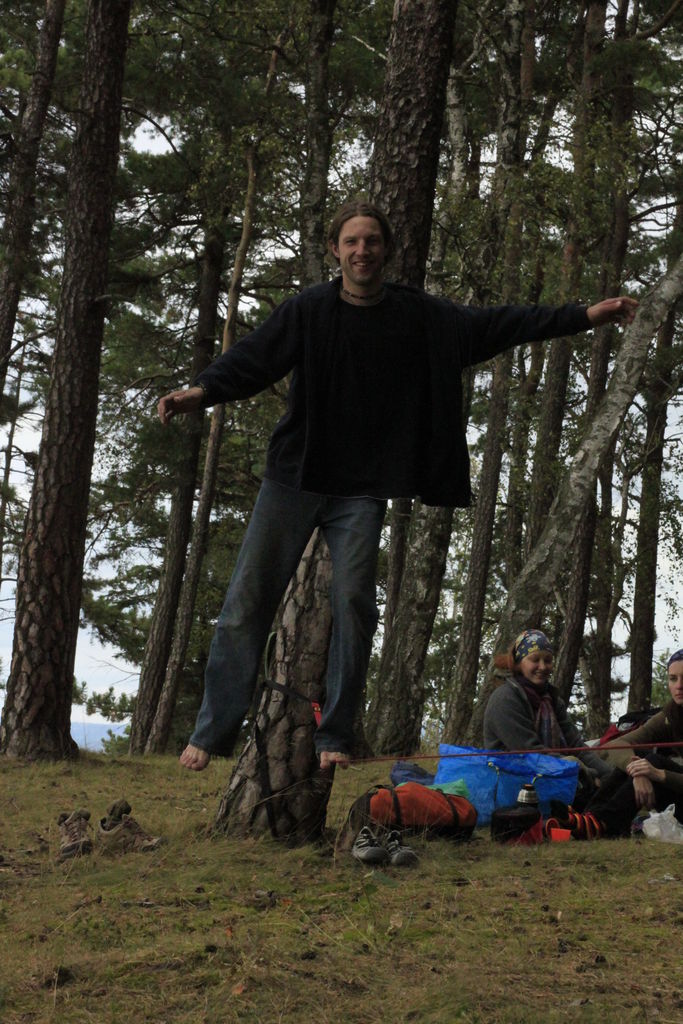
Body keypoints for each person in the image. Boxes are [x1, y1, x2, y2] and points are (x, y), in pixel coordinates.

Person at [158, 199, 638, 774]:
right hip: (294, 480)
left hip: (360, 492)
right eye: (352, 242)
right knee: (245, 603)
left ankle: (335, 730)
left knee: (355, 605)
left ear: (386, 250)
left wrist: (585, 314)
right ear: (336, 251)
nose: (363, 251)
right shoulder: (308, 311)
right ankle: (212, 731)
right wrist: (201, 391)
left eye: (373, 242)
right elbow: (252, 361)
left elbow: (502, 323)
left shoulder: (419, 317)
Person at [547, 649, 683, 838]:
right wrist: (636, 770)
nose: (679, 686)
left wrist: (657, 774)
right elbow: (615, 745)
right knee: (639, 760)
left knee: (653, 762)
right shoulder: (672, 714)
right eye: (673, 678)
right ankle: (588, 819)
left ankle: (602, 824)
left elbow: (657, 769)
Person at [483, 628, 612, 805]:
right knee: (575, 767)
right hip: (514, 781)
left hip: (551, 772)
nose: (542, 667)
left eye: (548, 660)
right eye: (535, 660)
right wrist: (587, 773)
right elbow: (531, 753)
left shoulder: (551, 699)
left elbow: (576, 746)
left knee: (614, 777)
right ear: (520, 663)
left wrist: (611, 775)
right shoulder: (505, 699)